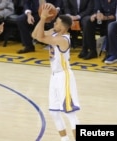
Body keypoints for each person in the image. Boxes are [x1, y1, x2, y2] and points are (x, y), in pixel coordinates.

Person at [32, 3, 80, 141]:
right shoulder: (55, 32)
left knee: (70, 113)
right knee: (54, 112)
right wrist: (43, 20)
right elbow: (35, 35)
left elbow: (41, 38)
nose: (54, 22)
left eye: (57, 22)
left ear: (63, 27)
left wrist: (42, 19)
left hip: (64, 76)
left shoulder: (63, 39)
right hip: (54, 76)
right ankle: (64, 139)